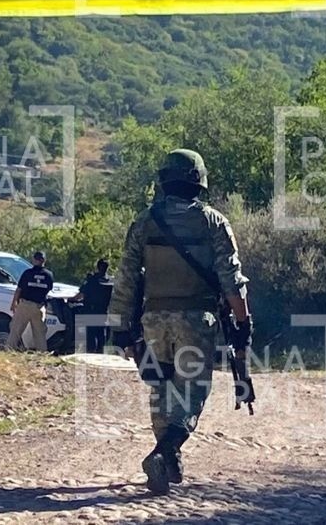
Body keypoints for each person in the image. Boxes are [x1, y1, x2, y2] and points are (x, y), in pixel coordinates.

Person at [110, 149, 251, 496]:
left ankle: (168, 462)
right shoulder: (213, 222)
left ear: (164, 181)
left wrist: (121, 328)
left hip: (153, 321)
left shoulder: (144, 222)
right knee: (191, 391)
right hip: (195, 321)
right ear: (199, 181)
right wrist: (243, 321)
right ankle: (164, 453)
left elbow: (126, 279)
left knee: (161, 388)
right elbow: (231, 280)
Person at [6, 251, 54, 351]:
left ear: (34, 260)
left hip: (25, 305)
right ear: (44, 260)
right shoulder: (49, 275)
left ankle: (9, 350)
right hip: (38, 307)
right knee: (40, 334)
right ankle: (42, 354)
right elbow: (49, 289)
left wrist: (14, 303)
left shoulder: (27, 273)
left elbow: (19, 289)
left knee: (15, 330)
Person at [72, 258, 114, 353]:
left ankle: (91, 353)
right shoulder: (110, 281)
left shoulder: (92, 280)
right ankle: (101, 353)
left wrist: (70, 299)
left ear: (97, 267)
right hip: (104, 311)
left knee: (91, 334)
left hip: (91, 310)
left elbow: (80, 295)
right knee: (101, 334)